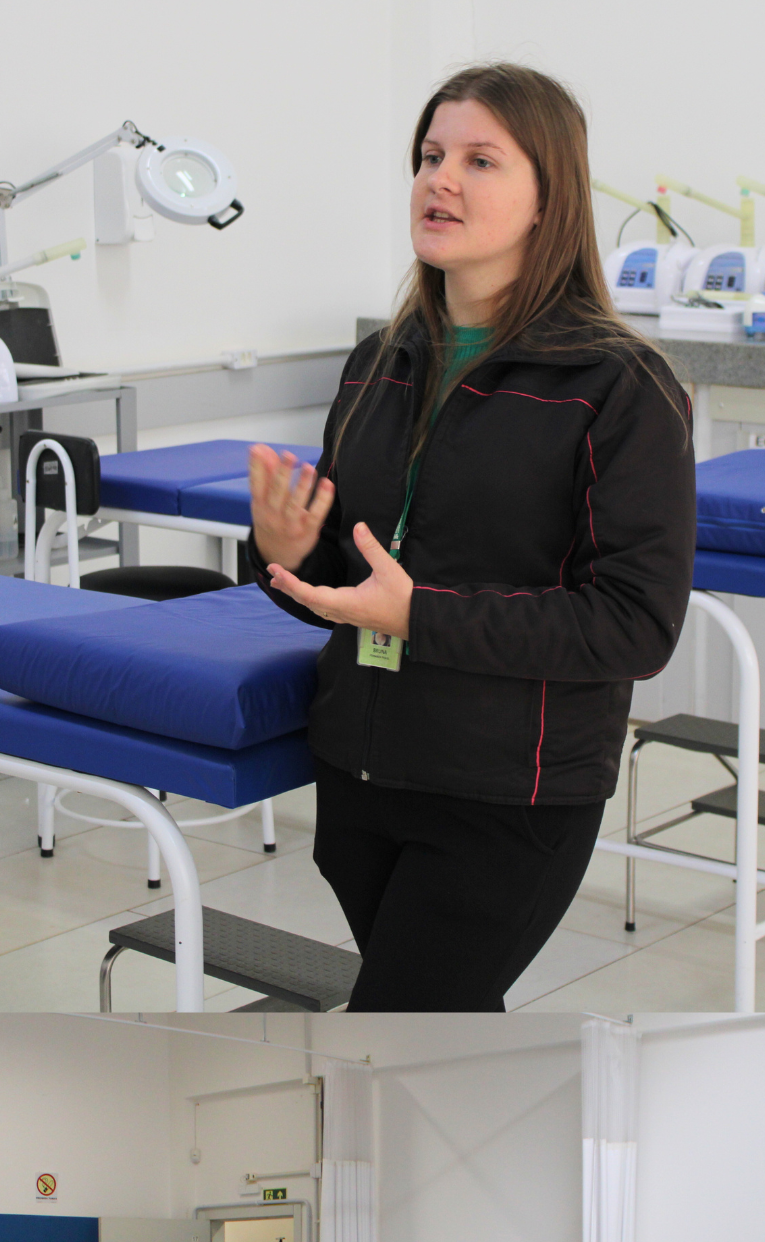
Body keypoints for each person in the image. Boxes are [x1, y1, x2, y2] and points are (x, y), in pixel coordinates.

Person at [247, 64, 694, 1011]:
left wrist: (422, 616)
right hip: (362, 772)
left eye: (480, 160)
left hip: (509, 794)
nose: (439, 179)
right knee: (440, 1039)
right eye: (430, 155)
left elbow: (635, 626)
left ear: (550, 199)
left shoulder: (619, 385)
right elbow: (351, 579)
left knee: (398, 1028)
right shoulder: (378, 363)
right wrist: (286, 553)